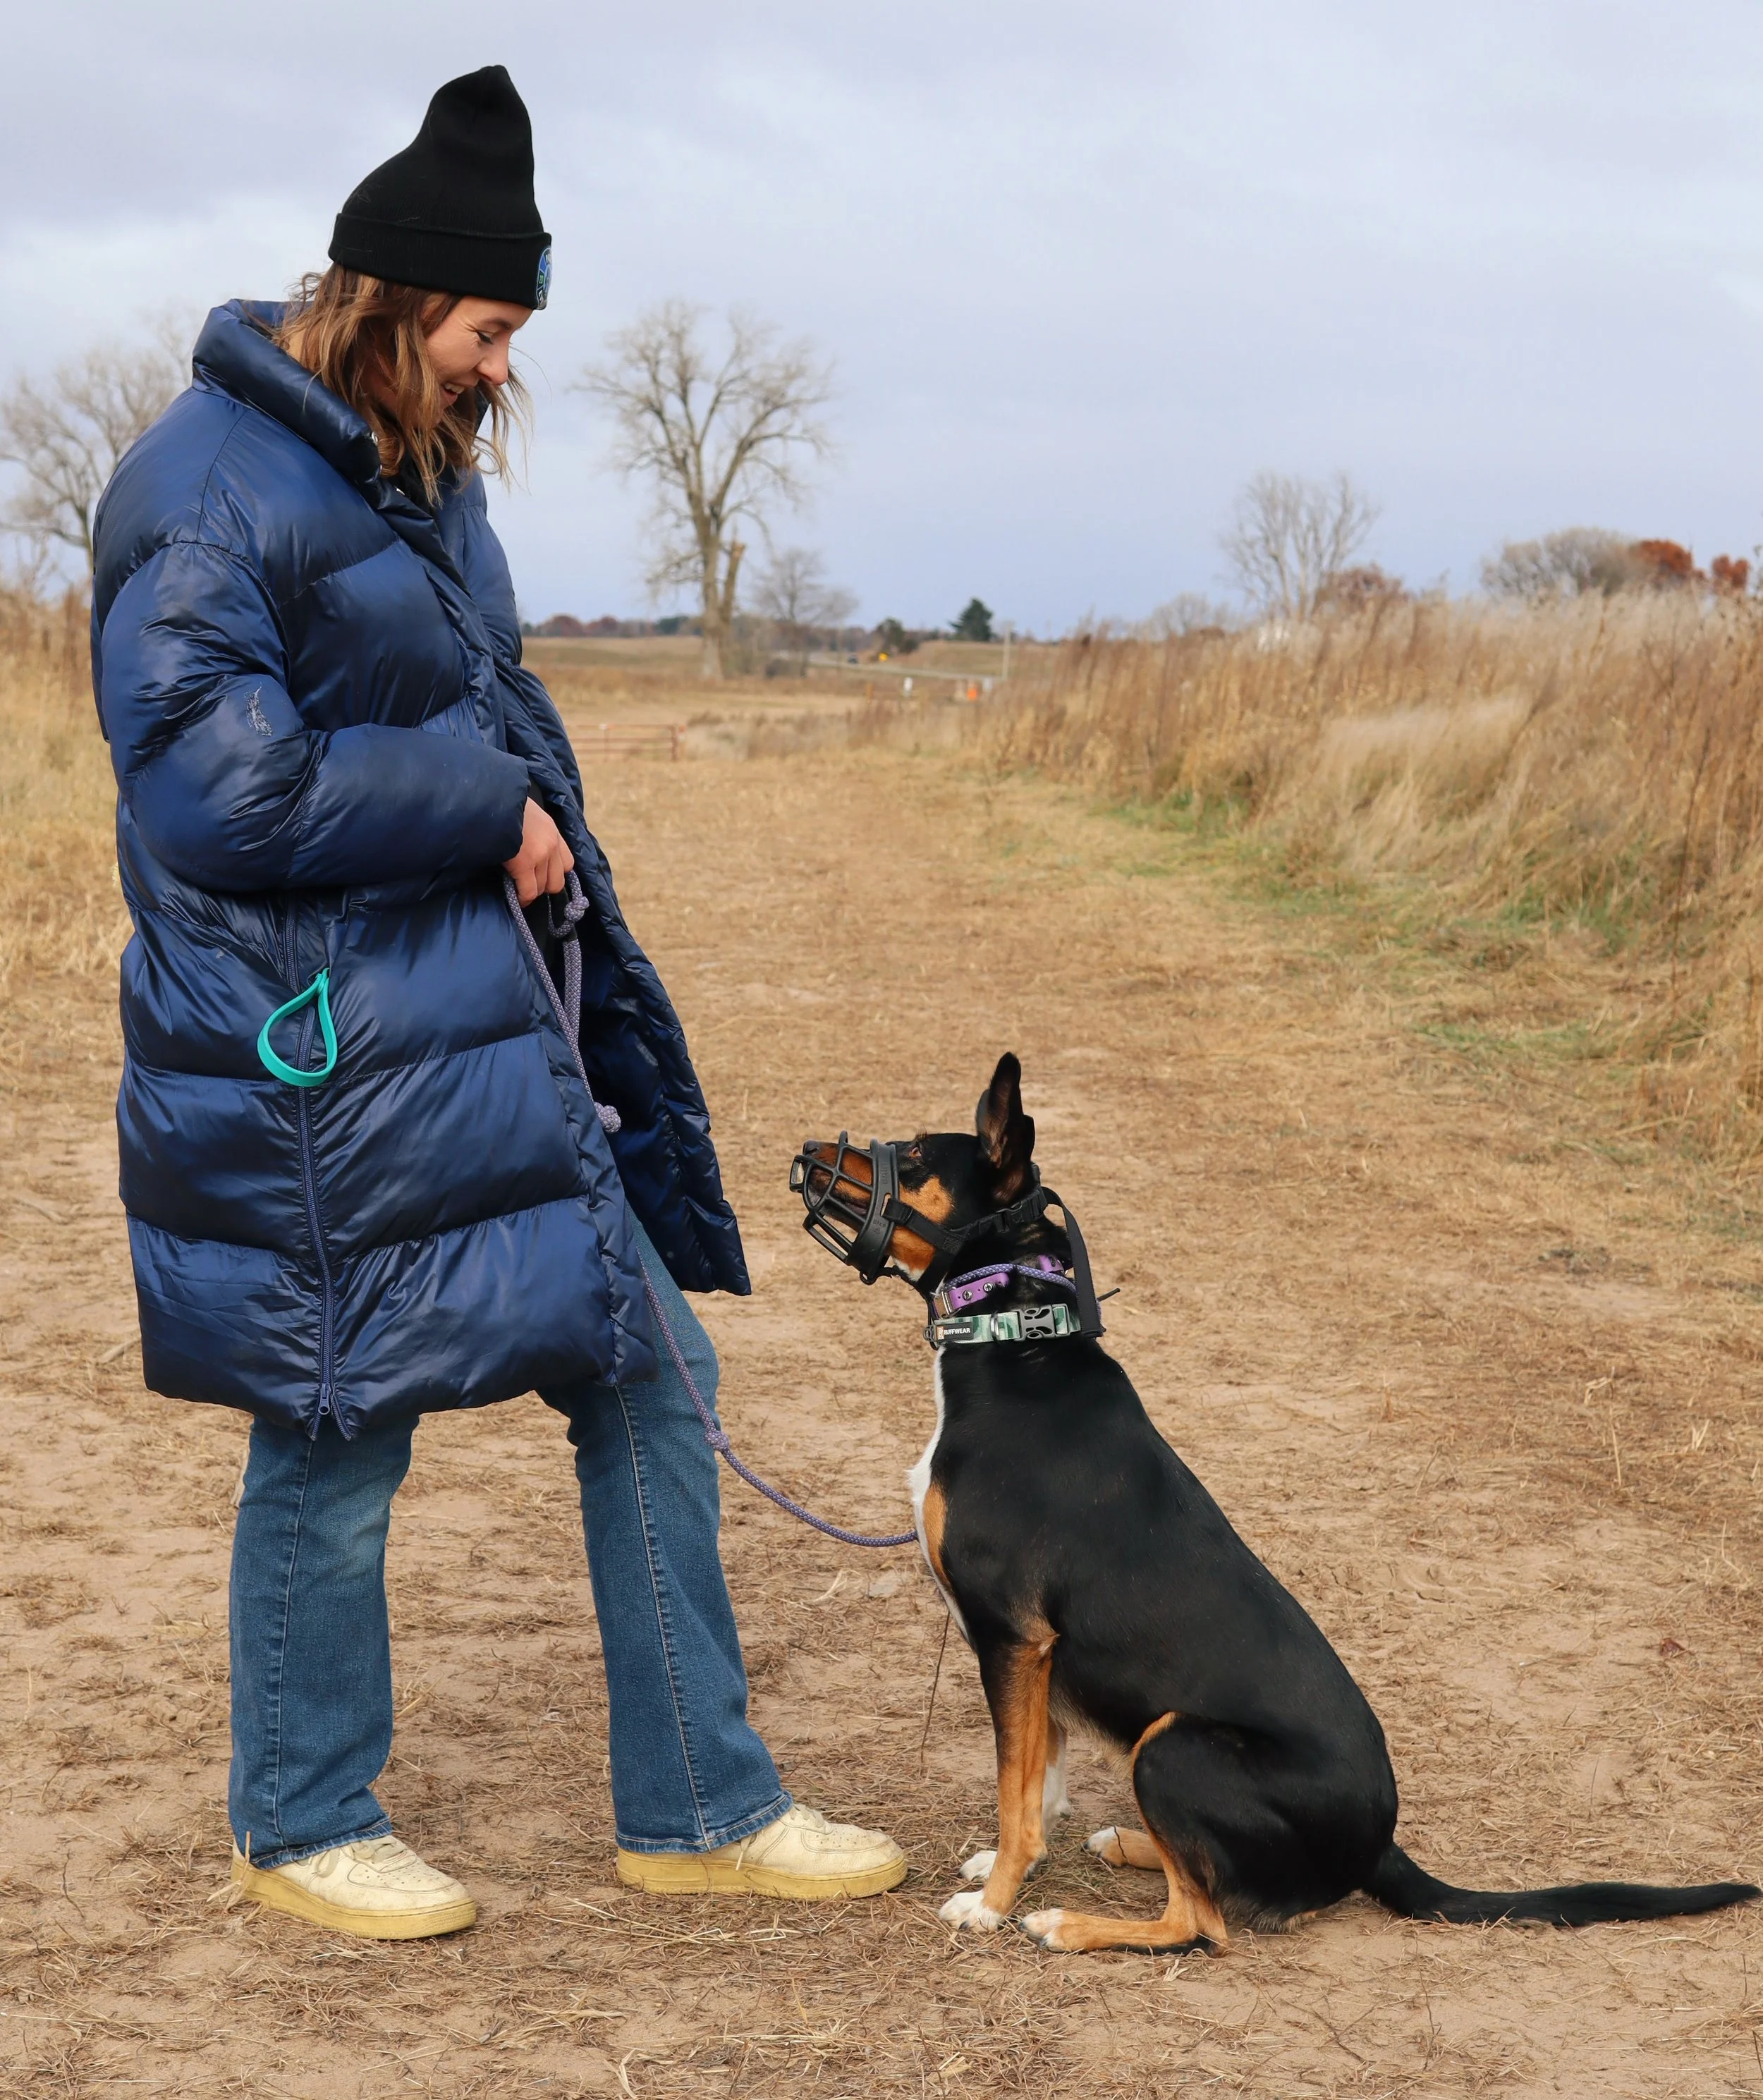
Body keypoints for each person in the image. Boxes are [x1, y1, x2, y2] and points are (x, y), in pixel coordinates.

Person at [90, 65, 904, 1941]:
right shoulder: (198, 491)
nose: (501, 368)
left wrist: (547, 853)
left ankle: (697, 1805)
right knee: (335, 1416)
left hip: (477, 1014)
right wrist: (485, 808)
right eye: (483, 329)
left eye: (515, 334)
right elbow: (217, 795)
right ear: (377, 306)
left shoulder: (417, 468)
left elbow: (478, 712)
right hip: (316, 1044)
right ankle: (298, 1821)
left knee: (647, 1372)